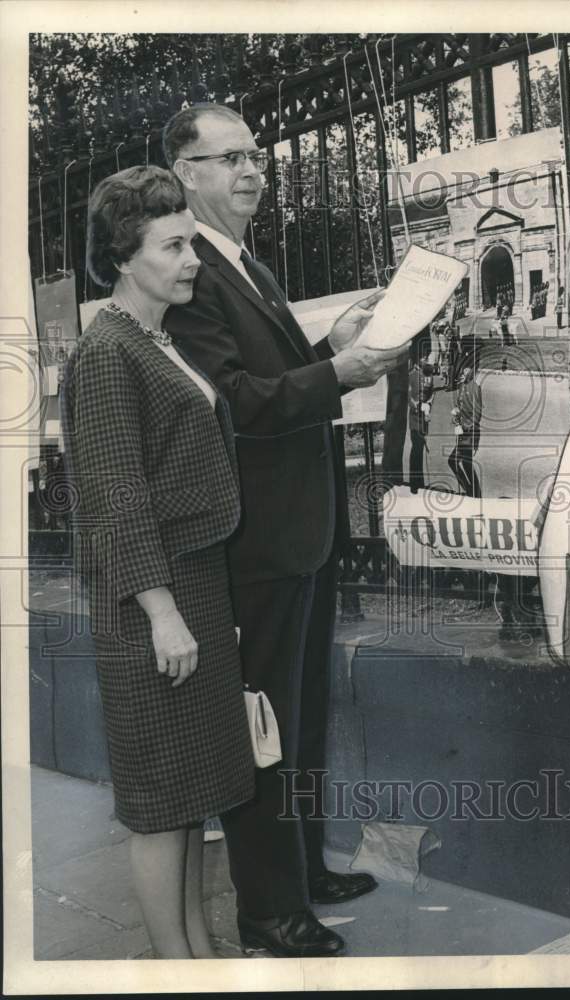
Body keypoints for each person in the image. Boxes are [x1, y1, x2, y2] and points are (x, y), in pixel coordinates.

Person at [162, 103, 406, 958]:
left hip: (300, 527)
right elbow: (231, 401)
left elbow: (271, 369)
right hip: (255, 539)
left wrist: (327, 344)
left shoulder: (244, 260)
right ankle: (269, 911)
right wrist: (338, 372)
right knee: (263, 725)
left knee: (301, 716)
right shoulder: (190, 271)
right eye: (228, 158)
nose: (252, 170)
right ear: (185, 175)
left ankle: (303, 871)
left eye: (255, 154)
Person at [61, 165, 256, 959]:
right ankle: (178, 968)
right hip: (154, 599)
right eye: (172, 246)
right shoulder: (108, 351)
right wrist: (161, 611)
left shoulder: (152, 339)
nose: (192, 261)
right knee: (157, 800)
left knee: (188, 792)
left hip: (189, 586)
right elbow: (116, 494)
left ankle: (196, 951)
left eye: (191, 243)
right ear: (123, 254)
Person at [448, 365, 483, 498]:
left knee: (459, 461)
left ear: (472, 373)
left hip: (469, 431)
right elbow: (459, 405)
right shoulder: (462, 386)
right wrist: (455, 413)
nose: (464, 372)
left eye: (467, 370)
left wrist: (466, 427)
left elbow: (477, 414)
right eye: (464, 370)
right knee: (461, 462)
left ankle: (473, 492)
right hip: (462, 430)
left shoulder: (475, 388)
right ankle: (473, 491)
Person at [408, 357, 435, 494]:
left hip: (424, 417)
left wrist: (428, 405)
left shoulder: (428, 375)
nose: (425, 359)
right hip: (415, 418)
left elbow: (431, 393)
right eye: (422, 357)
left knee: (419, 449)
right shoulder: (411, 375)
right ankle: (415, 483)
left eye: (426, 357)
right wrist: (417, 405)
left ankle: (419, 482)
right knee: (417, 448)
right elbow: (408, 396)